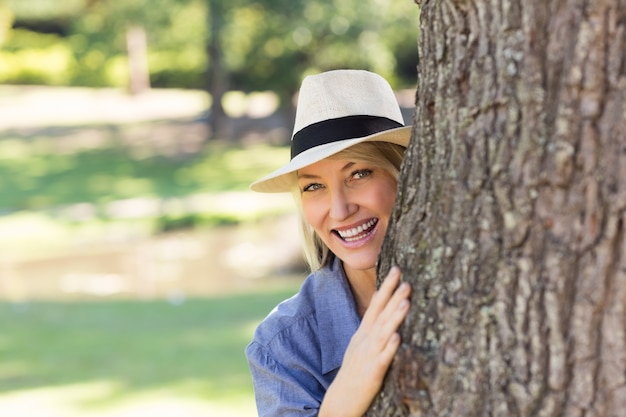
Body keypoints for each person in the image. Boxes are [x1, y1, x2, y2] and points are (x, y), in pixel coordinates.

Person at [246, 69, 412, 416]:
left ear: (404, 174)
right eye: (313, 186)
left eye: (359, 174)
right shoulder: (283, 346)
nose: (339, 210)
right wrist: (348, 393)